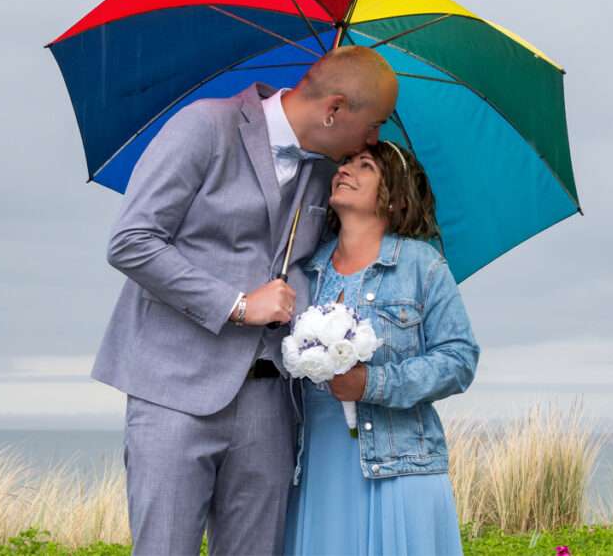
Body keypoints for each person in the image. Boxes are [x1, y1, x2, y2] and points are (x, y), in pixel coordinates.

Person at [91, 46, 399, 556]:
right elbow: (132, 241)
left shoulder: (328, 174)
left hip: (271, 403)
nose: (375, 139)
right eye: (374, 124)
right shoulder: (203, 127)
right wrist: (236, 304)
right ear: (335, 109)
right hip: (174, 390)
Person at [284, 141, 480, 556]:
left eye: (365, 165)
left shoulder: (422, 265)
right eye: (345, 162)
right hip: (319, 464)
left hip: (399, 465)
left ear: (394, 197)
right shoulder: (304, 272)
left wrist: (371, 383)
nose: (345, 170)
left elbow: (459, 358)